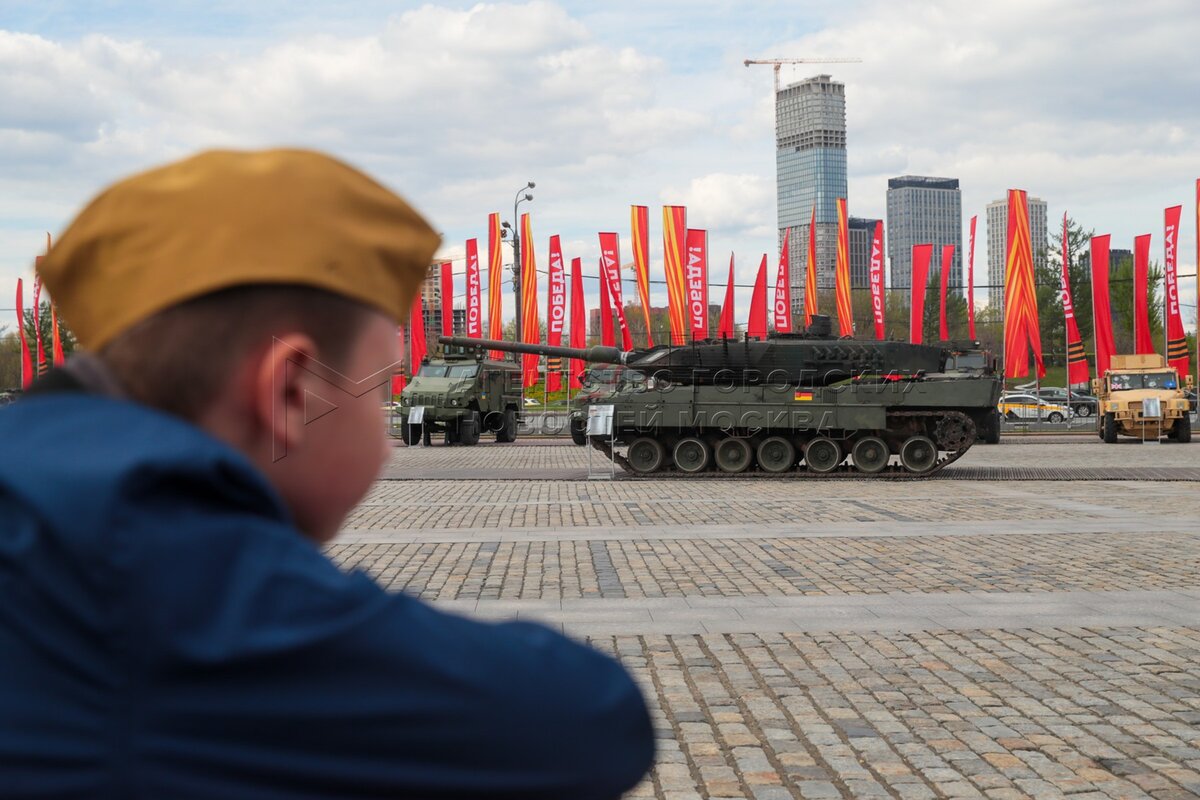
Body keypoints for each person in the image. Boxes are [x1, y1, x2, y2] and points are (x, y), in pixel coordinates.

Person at [0, 149, 654, 798]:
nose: (389, 443)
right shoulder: (153, 569)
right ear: (291, 393)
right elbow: (590, 719)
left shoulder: (51, 506)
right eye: (379, 387)